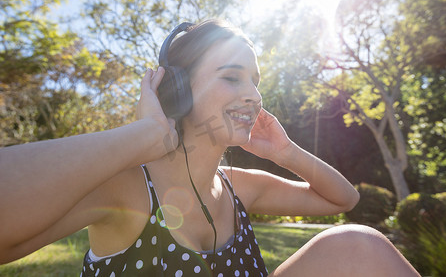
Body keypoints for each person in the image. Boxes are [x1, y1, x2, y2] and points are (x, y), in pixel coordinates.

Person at [0, 19, 419, 276]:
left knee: (358, 244)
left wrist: (285, 152)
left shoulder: (240, 186)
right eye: (232, 77)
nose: (254, 95)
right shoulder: (126, 189)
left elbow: (343, 200)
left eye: (255, 80)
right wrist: (145, 135)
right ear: (179, 92)